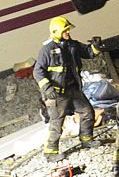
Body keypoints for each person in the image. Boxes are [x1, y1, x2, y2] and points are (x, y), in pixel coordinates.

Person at [34, 17, 103, 162]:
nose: (68, 32)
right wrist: (47, 88)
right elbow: (38, 71)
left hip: (73, 89)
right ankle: (50, 152)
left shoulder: (72, 45)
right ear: (57, 32)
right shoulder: (47, 50)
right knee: (57, 122)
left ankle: (86, 139)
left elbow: (88, 52)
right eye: (65, 30)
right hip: (57, 94)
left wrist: (96, 46)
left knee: (87, 112)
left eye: (68, 30)